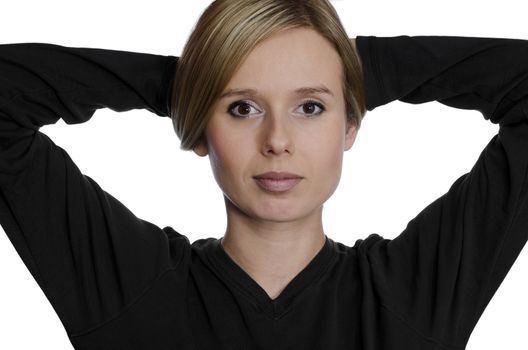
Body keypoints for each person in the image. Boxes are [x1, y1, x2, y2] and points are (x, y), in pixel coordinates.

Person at [1, 0, 527, 349]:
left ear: (351, 124)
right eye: (241, 109)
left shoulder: (412, 296)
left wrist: (347, 67)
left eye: (311, 108)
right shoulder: (131, 288)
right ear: (200, 129)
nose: (277, 140)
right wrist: (188, 83)